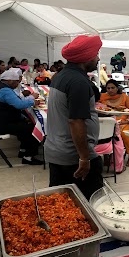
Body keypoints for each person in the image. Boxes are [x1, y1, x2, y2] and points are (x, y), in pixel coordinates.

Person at [45, 35, 103, 200]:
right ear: (85, 57)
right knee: (90, 203)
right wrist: (84, 158)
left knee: (62, 203)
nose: (98, 58)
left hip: (58, 151)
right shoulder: (78, 82)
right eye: (96, 54)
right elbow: (76, 121)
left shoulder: (61, 76)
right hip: (73, 156)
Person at [0, 70, 43, 165]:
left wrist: (23, 117)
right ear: (10, 80)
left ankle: (23, 150)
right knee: (33, 128)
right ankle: (28, 157)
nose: (18, 83)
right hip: (0, 125)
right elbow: (19, 105)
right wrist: (33, 101)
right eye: (17, 81)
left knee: (27, 123)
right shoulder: (5, 91)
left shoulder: (1, 87)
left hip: (0, 120)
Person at [99, 79, 129, 169]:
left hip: (123, 122)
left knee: (124, 134)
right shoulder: (102, 97)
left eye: (112, 88)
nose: (110, 90)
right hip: (108, 122)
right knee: (103, 134)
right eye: (108, 88)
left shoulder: (124, 97)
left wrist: (127, 121)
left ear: (117, 88)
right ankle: (107, 155)